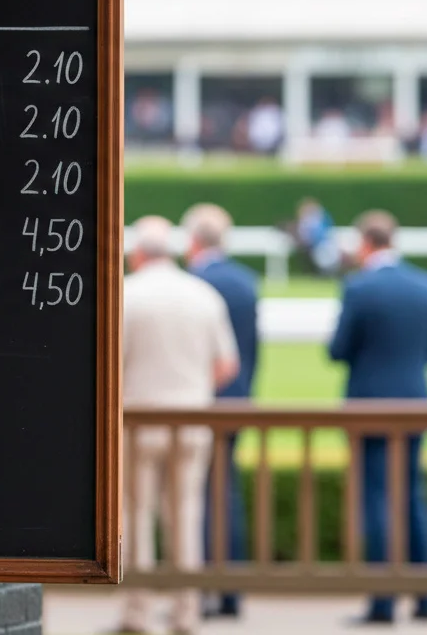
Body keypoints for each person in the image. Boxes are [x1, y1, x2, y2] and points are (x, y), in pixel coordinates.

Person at [121, 215, 239, 635]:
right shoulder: (202, 294)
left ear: (137, 254)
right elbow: (226, 365)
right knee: (186, 517)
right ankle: (185, 611)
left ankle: (137, 612)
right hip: (191, 421)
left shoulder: (127, 294)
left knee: (136, 517)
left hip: (137, 422)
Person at [327, 210, 427, 626]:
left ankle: (383, 600)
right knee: (412, 496)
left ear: (365, 243)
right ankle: (426, 597)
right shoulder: (425, 284)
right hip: (414, 402)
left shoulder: (359, 288)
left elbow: (338, 349)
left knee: (377, 500)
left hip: (370, 405)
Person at [181, 204, 258, 620]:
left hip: (199, 402)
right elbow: (252, 352)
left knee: (199, 498)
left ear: (193, 240)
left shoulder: (193, 283)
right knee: (228, 495)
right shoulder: (246, 281)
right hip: (236, 400)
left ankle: (205, 590)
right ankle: (230, 591)